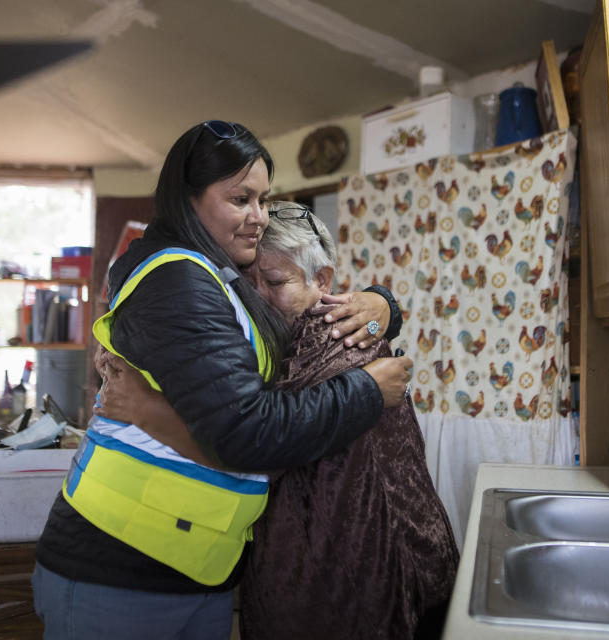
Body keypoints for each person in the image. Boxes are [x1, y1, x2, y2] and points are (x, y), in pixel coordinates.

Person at [32, 121, 413, 640]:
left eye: (263, 199)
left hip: (194, 566)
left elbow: (297, 325)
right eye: (240, 199)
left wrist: (382, 305)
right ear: (188, 200)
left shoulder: (219, 277)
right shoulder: (181, 281)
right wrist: (370, 390)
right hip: (123, 564)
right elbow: (246, 431)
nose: (257, 217)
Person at [96, 202, 459, 640]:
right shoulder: (271, 346)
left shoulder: (333, 342)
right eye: (244, 284)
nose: (256, 297)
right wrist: (385, 303)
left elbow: (254, 445)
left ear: (321, 281)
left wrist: (145, 409)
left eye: (274, 281)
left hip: (362, 578)